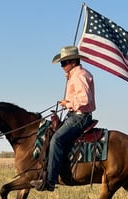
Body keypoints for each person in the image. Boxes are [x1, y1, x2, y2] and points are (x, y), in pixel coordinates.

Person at [31, 45, 96, 191]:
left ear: (73, 61)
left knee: (57, 139)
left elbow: (85, 100)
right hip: (74, 115)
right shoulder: (76, 75)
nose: (62, 66)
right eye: (61, 63)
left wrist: (68, 103)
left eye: (64, 63)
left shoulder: (79, 76)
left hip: (80, 117)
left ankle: (50, 180)